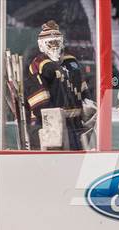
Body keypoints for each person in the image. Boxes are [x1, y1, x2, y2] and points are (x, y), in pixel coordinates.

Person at [25, 20, 96, 150]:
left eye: (57, 41)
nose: (55, 45)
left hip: (76, 125)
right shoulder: (39, 66)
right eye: (50, 42)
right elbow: (41, 106)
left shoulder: (71, 61)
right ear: (41, 45)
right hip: (50, 127)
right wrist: (54, 122)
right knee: (56, 164)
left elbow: (82, 88)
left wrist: (87, 104)